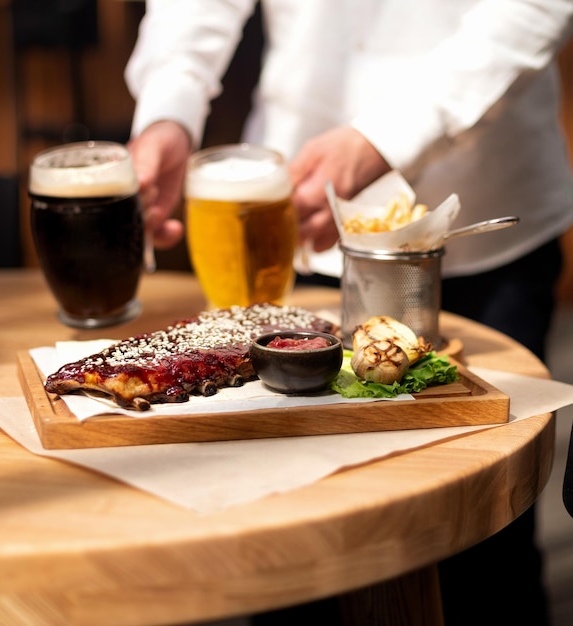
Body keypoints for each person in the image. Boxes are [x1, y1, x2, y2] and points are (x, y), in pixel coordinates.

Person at [124, 2, 573, 624]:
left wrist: (388, 135)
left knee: (480, 532)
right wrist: (169, 106)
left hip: (480, 217)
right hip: (292, 210)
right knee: (287, 527)